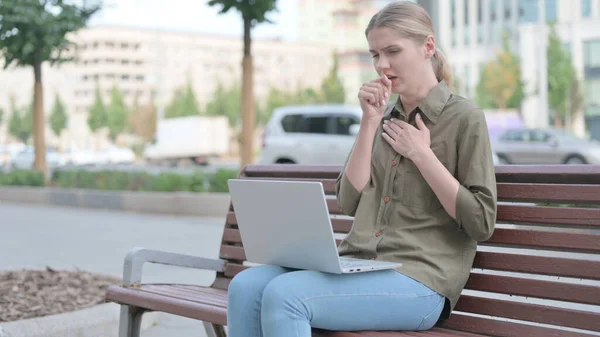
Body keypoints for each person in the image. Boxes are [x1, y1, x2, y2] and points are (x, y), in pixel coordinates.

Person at [226, 1, 497, 336]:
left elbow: (481, 222)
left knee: (287, 296)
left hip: (422, 283)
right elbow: (349, 201)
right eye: (374, 54)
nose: (382, 65)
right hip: (360, 266)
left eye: (393, 51)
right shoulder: (383, 120)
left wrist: (423, 156)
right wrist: (370, 122)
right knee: (246, 285)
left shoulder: (464, 118)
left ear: (428, 46)